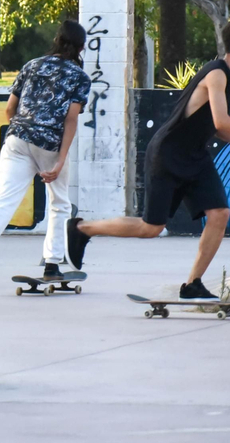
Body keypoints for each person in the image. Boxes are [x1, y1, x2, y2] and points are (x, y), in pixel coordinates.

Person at [69, 21, 230, 300]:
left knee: (219, 214)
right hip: (168, 154)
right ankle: (82, 228)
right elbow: (222, 123)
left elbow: (219, 129)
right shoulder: (217, 74)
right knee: (151, 228)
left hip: (195, 156)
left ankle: (193, 283)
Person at [0, 21, 89, 294]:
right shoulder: (79, 76)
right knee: (59, 203)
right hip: (49, 144)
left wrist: (22, 132)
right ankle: (52, 264)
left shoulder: (31, 65)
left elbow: (9, 109)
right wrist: (61, 160)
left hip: (17, 139)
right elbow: (71, 119)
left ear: (56, 39)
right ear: (81, 47)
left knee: (3, 202)